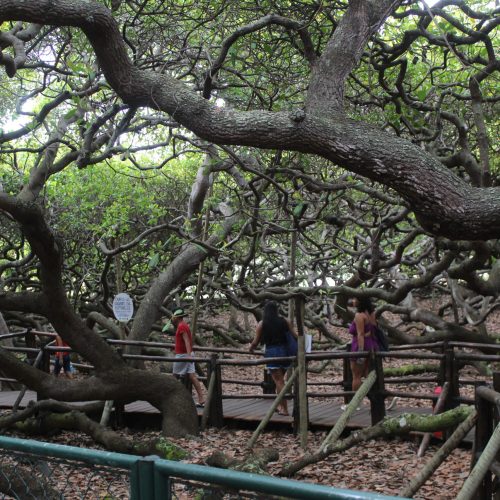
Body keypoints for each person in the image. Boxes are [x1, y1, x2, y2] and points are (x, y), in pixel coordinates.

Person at [249, 301, 297, 416]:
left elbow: (255, 342)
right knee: (279, 381)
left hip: (272, 353)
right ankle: (280, 406)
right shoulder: (285, 321)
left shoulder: (262, 324)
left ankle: (284, 409)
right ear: (276, 310)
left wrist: (250, 348)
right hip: (285, 352)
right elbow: (295, 336)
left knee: (279, 381)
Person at [171, 308, 206, 407]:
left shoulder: (182, 326)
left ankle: (170, 397)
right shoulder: (183, 325)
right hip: (187, 354)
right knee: (192, 377)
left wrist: (189, 356)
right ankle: (201, 398)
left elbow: (186, 341)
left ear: (177, 318)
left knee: (174, 376)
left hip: (183, 355)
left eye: (173, 317)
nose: (172, 319)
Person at [349, 297, 379, 391]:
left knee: (356, 376)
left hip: (360, 345)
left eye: (355, 299)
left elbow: (360, 334)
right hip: (372, 345)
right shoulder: (371, 314)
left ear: (360, 301)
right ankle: (373, 401)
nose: (353, 301)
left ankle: (354, 404)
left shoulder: (359, 315)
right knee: (367, 375)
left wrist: (360, 353)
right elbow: (373, 329)